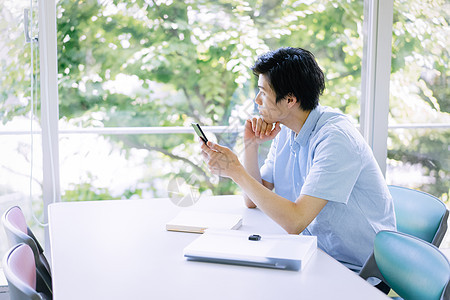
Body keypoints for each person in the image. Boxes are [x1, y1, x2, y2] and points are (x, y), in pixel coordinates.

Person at [199, 47, 396, 274]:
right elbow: (254, 199)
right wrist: (251, 145)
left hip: (355, 270)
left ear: (290, 99)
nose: (256, 100)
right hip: (315, 253)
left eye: (263, 92)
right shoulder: (287, 130)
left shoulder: (336, 139)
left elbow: (295, 221)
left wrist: (235, 170)